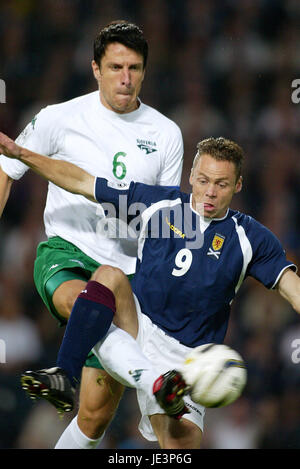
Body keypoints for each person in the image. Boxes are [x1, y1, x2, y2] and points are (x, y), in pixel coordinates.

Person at [0, 133, 299, 449]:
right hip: (137, 326)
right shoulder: (159, 203)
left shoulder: (251, 238)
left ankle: (159, 385)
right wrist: (23, 154)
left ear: (237, 185)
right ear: (191, 177)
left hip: (188, 362)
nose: (210, 192)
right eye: (203, 180)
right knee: (109, 276)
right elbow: (83, 182)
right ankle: (65, 372)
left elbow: (293, 290)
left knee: (162, 444)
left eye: (222, 184)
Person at [0, 21, 184, 449]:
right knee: (84, 295)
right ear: (95, 69)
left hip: (130, 271)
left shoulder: (166, 134)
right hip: (66, 252)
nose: (126, 78)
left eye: (135, 68)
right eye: (116, 66)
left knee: (95, 416)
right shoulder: (57, 117)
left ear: (145, 71)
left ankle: (72, 376)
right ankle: (156, 380)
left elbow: (166, 220)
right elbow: (8, 170)